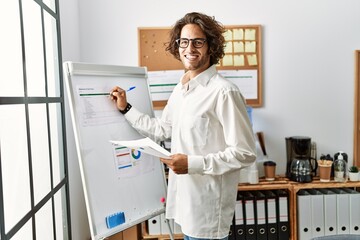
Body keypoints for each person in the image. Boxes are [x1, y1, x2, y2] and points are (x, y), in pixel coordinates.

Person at [110, 12, 256, 240]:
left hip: (208, 213)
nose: (190, 48)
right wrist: (126, 108)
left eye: (198, 41)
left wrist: (192, 164)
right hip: (185, 206)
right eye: (184, 42)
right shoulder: (181, 89)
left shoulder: (224, 91)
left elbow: (245, 153)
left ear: (211, 46)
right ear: (177, 46)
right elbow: (163, 129)